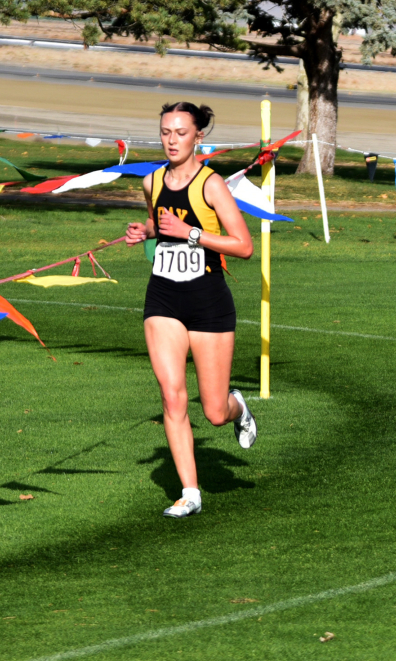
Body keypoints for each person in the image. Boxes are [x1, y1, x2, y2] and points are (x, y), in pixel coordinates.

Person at [125, 101, 257, 519]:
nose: (171, 140)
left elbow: (243, 246)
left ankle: (238, 405)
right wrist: (142, 231)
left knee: (213, 412)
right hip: (163, 298)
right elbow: (158, 223)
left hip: (208, 301)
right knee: (172, 395)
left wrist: (192, 234)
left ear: (199, 136)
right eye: (165, 132)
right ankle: (190, 491)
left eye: (180, 132)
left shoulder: (212, 185)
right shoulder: (152, 181)